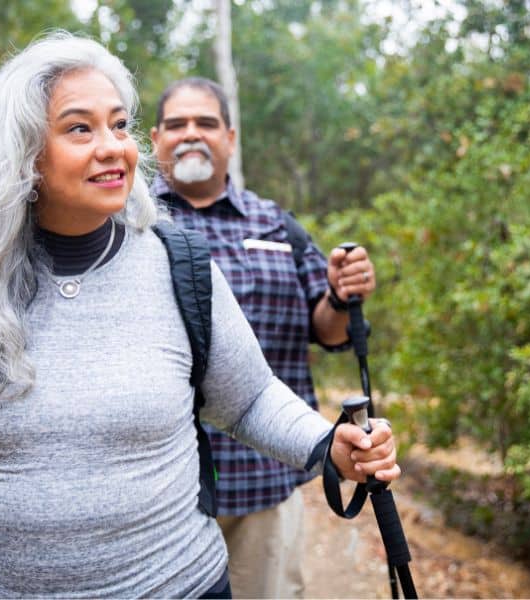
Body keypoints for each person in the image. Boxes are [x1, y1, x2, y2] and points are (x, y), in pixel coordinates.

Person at [0, 32, 399, 598]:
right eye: (80, 128)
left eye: (119, 125)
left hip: (176, 586)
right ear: (25, 152)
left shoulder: (177, 262)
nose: (114, 148)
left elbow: (250, 399)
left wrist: (326, 446)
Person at [149, 77, 378, 598]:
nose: (192, 134)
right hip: (157, 491)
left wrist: (341, 295)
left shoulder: (277, 226)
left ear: (230, 137)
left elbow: (330, 331)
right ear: (154, 137)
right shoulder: (125, 224)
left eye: (206, 123)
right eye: (177, 124)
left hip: (263, 479)